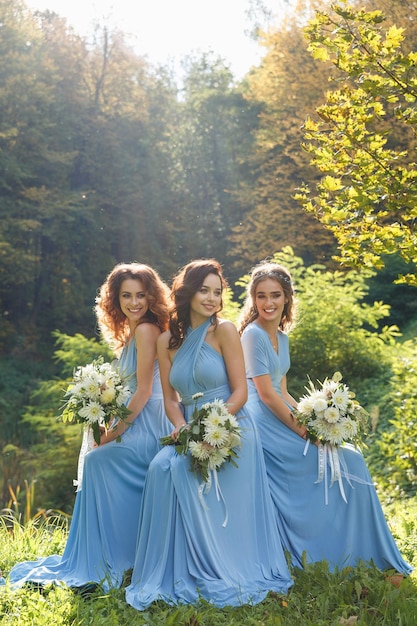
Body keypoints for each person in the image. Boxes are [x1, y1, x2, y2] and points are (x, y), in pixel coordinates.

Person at [125, 259, 293, 610]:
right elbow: (172, 400)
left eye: (218, 292)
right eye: (205, 290)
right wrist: (184, 428)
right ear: (188, 292)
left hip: (232, 426)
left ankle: (221, 563)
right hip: (189, 429)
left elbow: (240, 393)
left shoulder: (225, 331)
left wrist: (212, 427)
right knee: (161, 467)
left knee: (183, 472)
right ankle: (171, 567)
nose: (213, 298)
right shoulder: (167, 340)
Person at [239, 261, 413, 575]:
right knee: (340, 463)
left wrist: (315, 419)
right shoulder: (252, 336)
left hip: (280, 412)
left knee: (351, 458)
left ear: (287, 297)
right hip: (261, 421)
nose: (268, 303)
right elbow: (265, 395)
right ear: (253, 299)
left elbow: (284, 390)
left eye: (275, 295)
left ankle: (359, 549)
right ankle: (323, 550)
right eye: (261, 295)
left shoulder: (282, 336)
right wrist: (305, 433)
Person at [7, 263, 172, 590]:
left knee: (97, 460)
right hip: (137, 419)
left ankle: (112, 556)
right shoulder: (132, 333)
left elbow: (143, 391)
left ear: (152, 297)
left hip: (151, 422)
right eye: (126, 295)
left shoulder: (146, 330)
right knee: (98, 461)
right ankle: (102, 553)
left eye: (141, 295)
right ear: (115, 299)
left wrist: (109, 435)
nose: (134, 302)